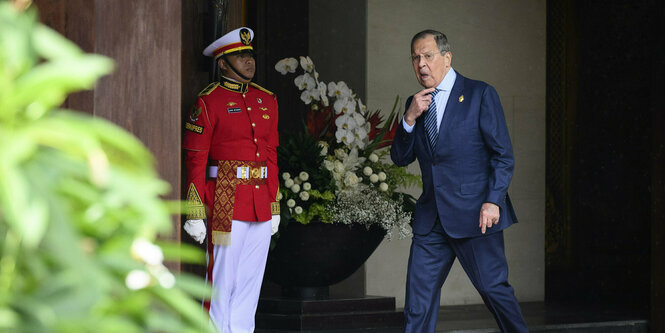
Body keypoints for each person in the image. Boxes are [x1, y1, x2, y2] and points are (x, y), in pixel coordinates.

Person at [390, 29, 528, 332]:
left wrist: (493, 201)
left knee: (494, 291)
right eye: (415, 58)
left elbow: (503, 155)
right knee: (417, 305)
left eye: (428, 55)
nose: (421, 64)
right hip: (431, 221)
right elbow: (400, 158)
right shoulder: (417, 104)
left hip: (476, 216)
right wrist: (409, 119)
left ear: (447, 57)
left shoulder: (480, 94)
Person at [182, 27, 280, 333]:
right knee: (221, 282)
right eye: (240, 55)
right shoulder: (208, 101)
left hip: (260, 200)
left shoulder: (267, 100)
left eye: (250, 54)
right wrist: (195, 210)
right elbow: (195, 159)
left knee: (251, 282)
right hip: (225, 197)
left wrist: (274, 204)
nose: (249, 61)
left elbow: (272, 157)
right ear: (223, 63)